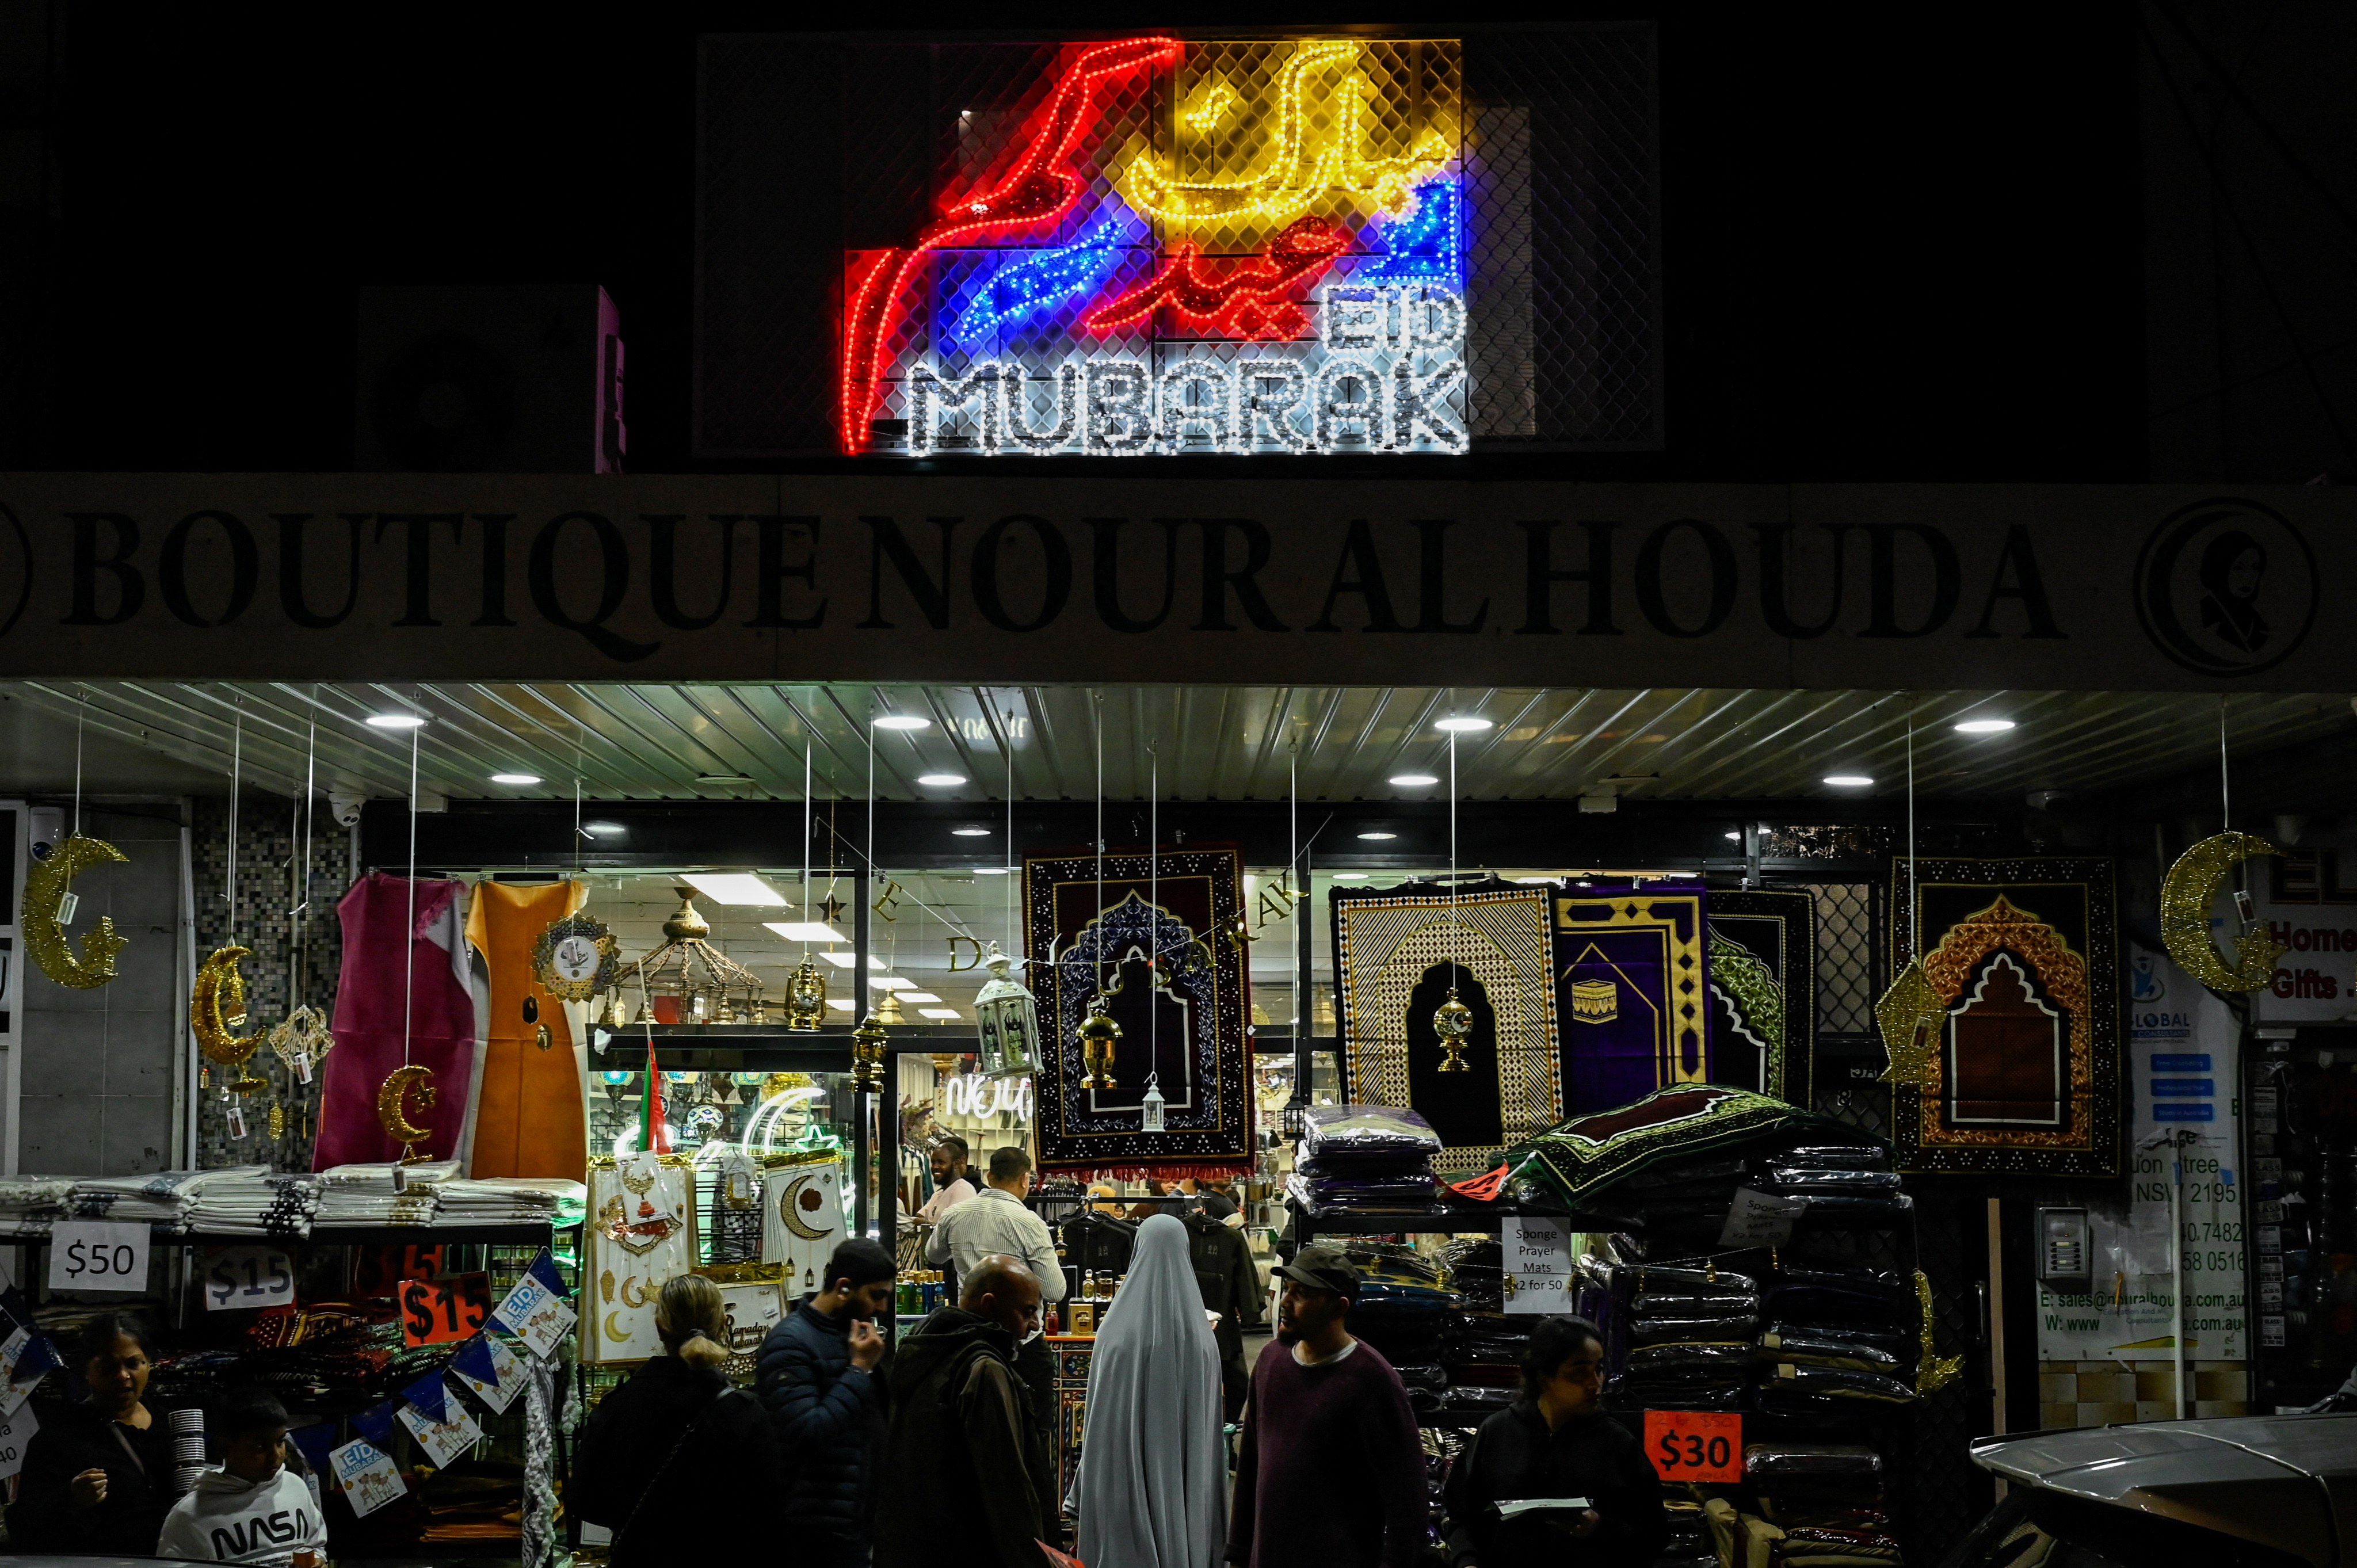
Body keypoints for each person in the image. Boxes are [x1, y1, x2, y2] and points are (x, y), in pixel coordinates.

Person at [1226, 1246, 1426, 1568]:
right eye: (1288, 1289)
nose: (1285, 1302)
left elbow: (1408, 1496)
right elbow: (1251, 1464)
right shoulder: (1271, 1362)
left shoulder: (1372, 1381)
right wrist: (1238, 1552)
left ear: (1338, 1307)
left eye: (1302, 1294)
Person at [572, 1273, 776, 1565]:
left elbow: (585, 1501)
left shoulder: (618, 1407)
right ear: (723, 1325)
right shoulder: (744, 1413)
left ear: (660, 1328)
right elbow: (767, 1516)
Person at [875, 1255, 1058, 1568]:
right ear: (990, 1305)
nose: (1035, 1325)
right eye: (1027, 1312)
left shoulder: (923, 1347)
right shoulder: (984, 1369)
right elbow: (1006, 1489)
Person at [1440, 1317, 1666, 1568]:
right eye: (1580, 1372)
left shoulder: (1617, 1441)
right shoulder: (1496, 1432)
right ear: (1544, 1377)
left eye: (1599, 1369)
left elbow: (1655, 1535)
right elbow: (1461, 1516)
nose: (1595, 1384)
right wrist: (1467, 1562)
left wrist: (1600, 1527)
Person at [1074, 1214, 1227, 1568]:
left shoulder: (1113, 1333)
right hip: (1184, 1482)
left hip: (1121, 1477)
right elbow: (1205, 1432)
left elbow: (1098, 1420)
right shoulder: (1203, 1341)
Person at [758, 1237, 897, 1563]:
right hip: (816, 1533)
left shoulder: (851, 1337)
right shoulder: (790, 1344)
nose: (882, 1308)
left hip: (854, 1521)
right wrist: (859, 1370)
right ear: (844, 1288)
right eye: (876, 1295)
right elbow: (806, 1431)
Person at [9, 1312, 176, 1555]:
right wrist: (71, 1499)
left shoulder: (171, 1425)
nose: (123, 1376)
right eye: (108, 1367)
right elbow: (23, 1525)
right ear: (87, 1370)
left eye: (133, 1364)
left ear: (149, 1363)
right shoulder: (60, 1438)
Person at [929, 1145, 1067, 1433]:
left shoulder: (954, 1214)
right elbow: (1055, 1290)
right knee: (1030, 1434)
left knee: (972, 1432)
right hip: (1021, 1346)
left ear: (989, 1177)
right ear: (1025, 1179)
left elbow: (934, 1255)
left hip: (968, 1340)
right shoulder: (1029, 1222)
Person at [156, 1388, 324, 1566]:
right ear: (225, 1448)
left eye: (280, 1442)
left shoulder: (295, 1487)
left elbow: (316, 1545)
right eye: (260, 1447)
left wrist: (318, 1561)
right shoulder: (189, 1515)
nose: (276, 1455)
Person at [1176, 1200, 1265, 1423]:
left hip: (1204, 1328)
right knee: (1234, 1381)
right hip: (1217, 1330)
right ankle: (1224, 1428)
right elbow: (1247, 1288)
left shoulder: (1230, 1239)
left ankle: (1223, 1428)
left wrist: (1250, 1311)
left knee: (1235, 1382)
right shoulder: (1177, 1236)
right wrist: (1250, 1312)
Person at [916, 1136, 977, 1224]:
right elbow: (918, 1218)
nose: (935, 1167)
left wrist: (928, 1224)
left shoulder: (963, 1190)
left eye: (941, 1162)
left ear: (957, 1164)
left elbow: (953, 1227)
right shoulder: (938, 1194)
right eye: (933, 1162)